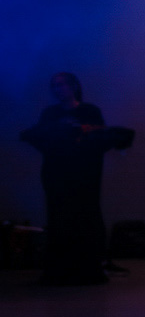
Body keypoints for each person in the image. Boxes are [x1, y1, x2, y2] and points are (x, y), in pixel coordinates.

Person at [20, 72, 110, 285]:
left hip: (85, 175)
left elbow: (100, 137)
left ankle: (88, 268)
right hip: (57, 174)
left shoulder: (90, 111)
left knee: (85, 215)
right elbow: (40, 137)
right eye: (55, 86)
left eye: (62, 84)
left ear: (74, 86)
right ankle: (59, 269)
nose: (58, 89)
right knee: (59, 216)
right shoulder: (50, 113)